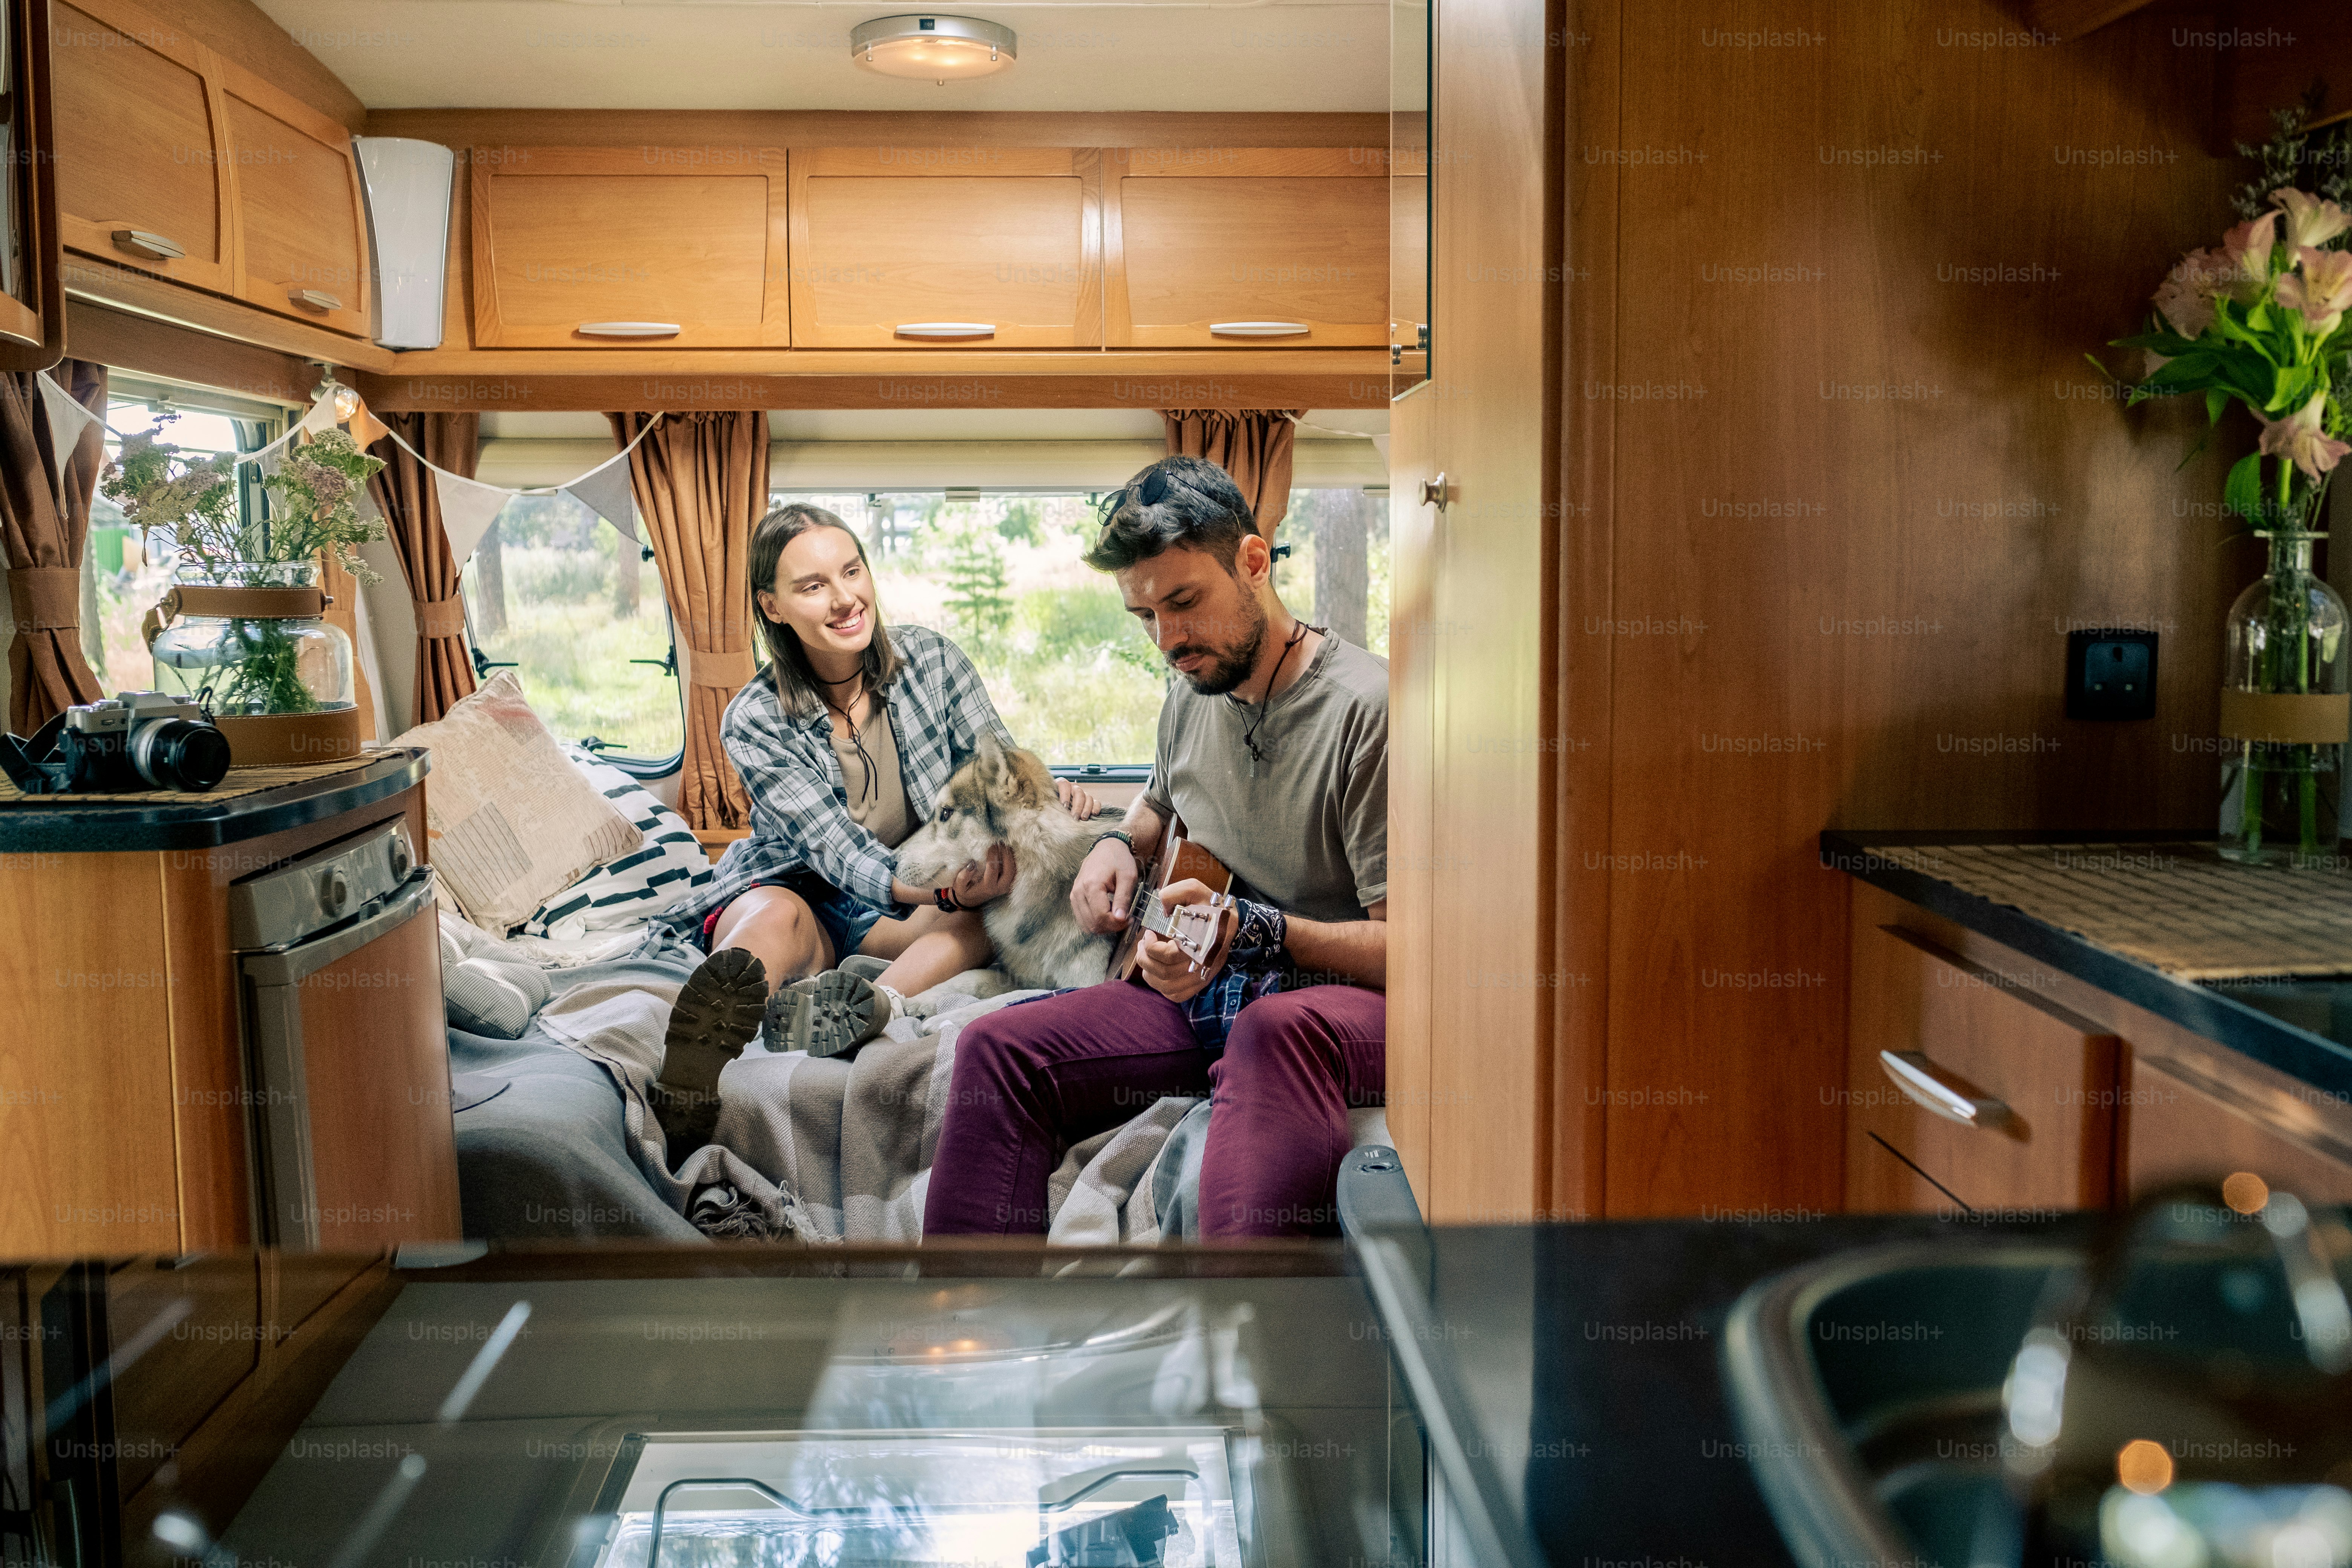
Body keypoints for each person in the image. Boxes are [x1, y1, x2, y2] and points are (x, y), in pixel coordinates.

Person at [922, 455, 1387, 1240]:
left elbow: (1411, 953)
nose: (1168, 639)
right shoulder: (1192, 688)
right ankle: (969, 1335)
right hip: (1211, 983)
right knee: (997, 1048)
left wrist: (1251, 928)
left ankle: (1244, 1349)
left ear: (1252, 562)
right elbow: (1159, 803)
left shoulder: (1368, 710)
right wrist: (1118, 845)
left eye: (1184, 602)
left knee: (1273, 1033)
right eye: (1144, 616)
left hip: (1336, 1005)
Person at [651, 502, 1099, 1161]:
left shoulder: (934, 662)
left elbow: (997, 765)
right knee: (773, 923)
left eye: (852, 572)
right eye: (813, 587)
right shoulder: (753, 717)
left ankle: (867, 1007)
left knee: (988, 918)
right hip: (795, 883)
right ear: (772, 607)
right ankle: (696, 1060)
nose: (844, 599)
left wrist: (1044, 797)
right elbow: (832, 848)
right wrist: (940, 894)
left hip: (909, 898)